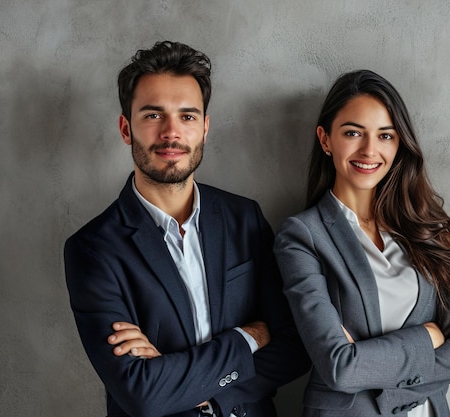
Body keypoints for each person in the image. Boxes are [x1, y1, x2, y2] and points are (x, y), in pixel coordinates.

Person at [64, 40, 310, 417]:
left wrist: (197, 388)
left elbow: (294, 347)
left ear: (205, 128)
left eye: (188, 116)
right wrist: (248, 337)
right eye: (152, 115)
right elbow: (142, 393)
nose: (171, 132)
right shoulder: (93, 249)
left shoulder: (244, 218)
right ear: (126, 128)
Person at [273, 70, 450, 417]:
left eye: (385, 135)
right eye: (353, 132)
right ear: (326, 140)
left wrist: (367, 360)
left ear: (398, 143)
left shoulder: (422, 228)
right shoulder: (302, 235)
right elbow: (339, 367)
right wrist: (428, 338)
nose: (370, 150)